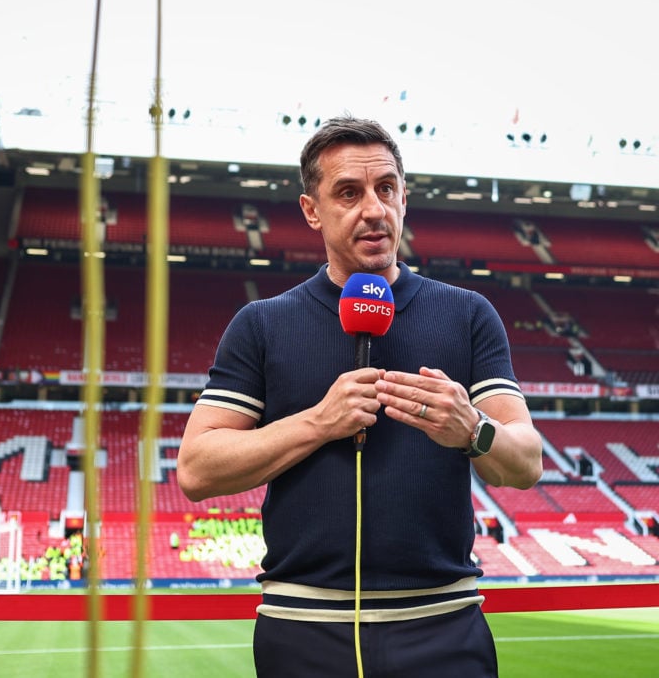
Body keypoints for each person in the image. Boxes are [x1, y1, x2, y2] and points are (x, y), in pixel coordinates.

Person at [177, 115, 543, 677]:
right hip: (301, 629)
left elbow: (525, 463)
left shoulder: (468, 315)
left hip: (443, 623)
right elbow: (197, 470)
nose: (373, 208)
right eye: (348, 192)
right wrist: (318, 423)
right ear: (311, 210)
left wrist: (472, 429)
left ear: (403, 199)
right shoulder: (261, 324)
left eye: (386, 189)